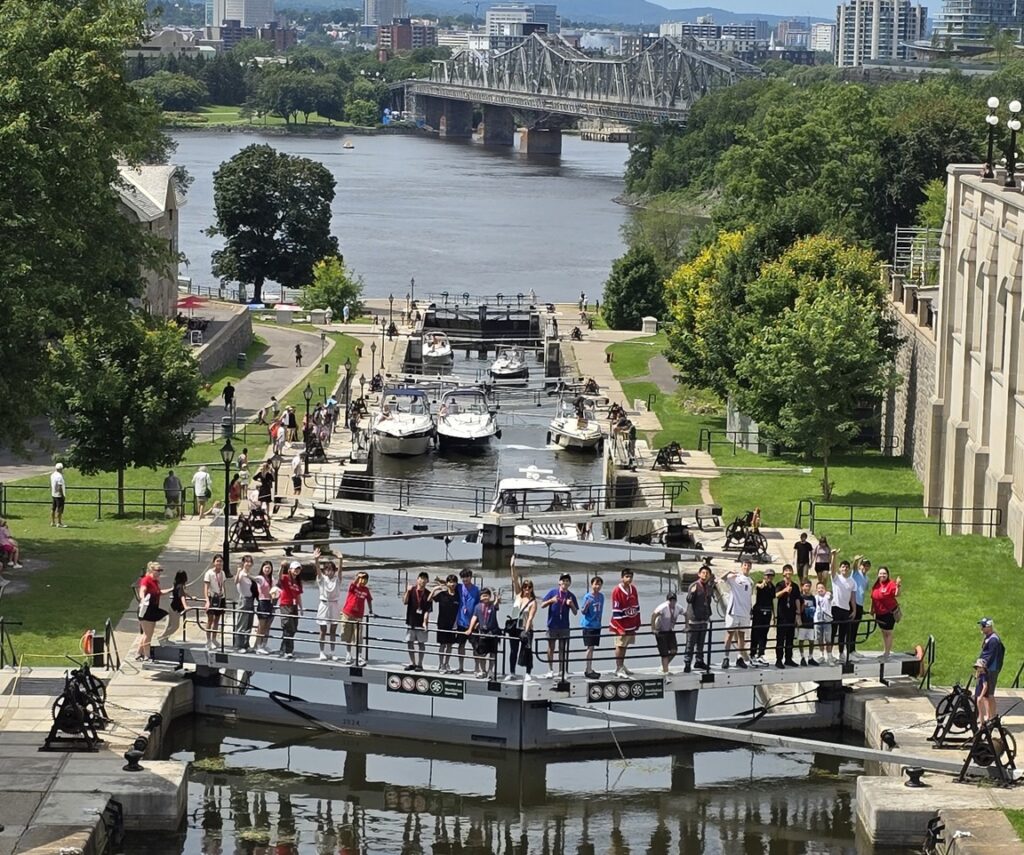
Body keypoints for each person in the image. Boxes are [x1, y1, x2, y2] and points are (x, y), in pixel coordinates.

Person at [541, 574, 579, 679]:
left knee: (563, 649)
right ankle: (550, 669)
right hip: (552, 625)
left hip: (564, 626)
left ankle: (562, 670)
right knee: (551, 648)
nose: (565, 583)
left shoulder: (571, 595)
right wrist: (551, 601)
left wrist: (571, 604)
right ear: (559, 582)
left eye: (567, 581)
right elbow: (542, 605)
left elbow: (575, 612)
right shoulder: (553, 592)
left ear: (570, 583)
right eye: (563, 581)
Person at [507, 556, 538, 682]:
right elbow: (514, 579)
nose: (526, 589)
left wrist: (526, 631)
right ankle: (512, 672)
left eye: (529, 587)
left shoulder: (533, 602)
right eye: (525, 587)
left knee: (527, 650)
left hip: (525, 627)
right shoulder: (518, 595)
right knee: (513, 651)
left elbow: (530, 617)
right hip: (514, 627)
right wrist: (512, 566)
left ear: (531, 589)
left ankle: (528, 672)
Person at [720, 560, 753, 669]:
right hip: (733, 611)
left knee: (741, 636)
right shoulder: (735, 578)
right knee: (729, 634)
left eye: (748, 566)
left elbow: (748, 597)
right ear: (741, 566)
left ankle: (740, 658)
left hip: (744, 613)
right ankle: (726, 657)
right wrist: (729, 571)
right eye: (745, 565)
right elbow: (721, 579)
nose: (746, 567)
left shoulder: (750, 581)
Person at [313, 548, 343, 661]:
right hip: (324, 605)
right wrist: (316, 560)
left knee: (333, 630)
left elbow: (340, 572)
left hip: (334, 605)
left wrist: (340, 560)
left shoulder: (337, 579)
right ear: (325, 571)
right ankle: (321, 652)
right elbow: (318, 571)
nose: (329, 572)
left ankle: (332, 652)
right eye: (327, 569)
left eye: (331, 570)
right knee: (323, 630)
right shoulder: (322, 579)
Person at [137, 562, 170, 661]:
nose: (160, 573)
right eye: (158, 570)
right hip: (146, 610)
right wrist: (142, 598)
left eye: (161, 570)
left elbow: (159, 593)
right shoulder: (146, 580)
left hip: (153, 609)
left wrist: (172, 589)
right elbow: (142, 590)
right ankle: (147, 655)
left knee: (146, 634)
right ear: (152, 570)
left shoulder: (155, 582)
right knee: (148, 634)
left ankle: (138, 653)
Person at [610, 568, 640, 678]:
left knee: (625, 645)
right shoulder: (617, 591)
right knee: (619, 645)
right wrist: (619, 627)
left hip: (630, 623)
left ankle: (622, 665)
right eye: (627, 576)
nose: (629, 579)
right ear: (622, 577)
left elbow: (637, 606)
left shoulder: (633, 589)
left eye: (631, 576)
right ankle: (618, 667)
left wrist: (637, 621)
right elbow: (616, 610)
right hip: (620, 624)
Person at [465, 587, 501, 679]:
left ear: (490, 597)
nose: (485, 598)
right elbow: (474, 617)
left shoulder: (493, 605)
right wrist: (470, 629)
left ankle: (490, 671)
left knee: (493, 653)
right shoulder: (477, 607)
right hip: (483, 633)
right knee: (481, 653)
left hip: (493, 632)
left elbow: (497, 603)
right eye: (483, 596)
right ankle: (483, 670)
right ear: (480, 597)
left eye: (487, 596)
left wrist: (497, 597)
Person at [684, 565, 713, 672]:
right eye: (703, 573)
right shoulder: (694, 585)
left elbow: (708, 602)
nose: (705, 575)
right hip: (693, 620)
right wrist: (692, 592)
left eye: (707, 573)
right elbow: (689, 600)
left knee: (701, 643)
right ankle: (687, 663)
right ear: (699, 574)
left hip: (703, 619)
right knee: (690, 643)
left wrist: (708, 615)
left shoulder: (708, 587)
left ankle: (699, 661)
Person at [341, 570, 373, 666]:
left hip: (358, 616)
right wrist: (358, 576)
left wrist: (371, 610)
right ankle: (348, 654)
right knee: (348, 635)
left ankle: (359, 656)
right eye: (361, 578)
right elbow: (353, 583)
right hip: (348, 613)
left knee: (358, 637)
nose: (363, 581)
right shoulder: (353, 586)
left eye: (365, 579)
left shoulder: (366, 590)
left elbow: (369, 600)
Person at [976, 618, 1005, 724]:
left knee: (989, 694)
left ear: (989, 627)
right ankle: (989, 716)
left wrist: (981, 668)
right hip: (988, 669)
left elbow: (989, 657)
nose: (981, 628)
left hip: (990, 670)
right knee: (986, 695)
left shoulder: (993, 640)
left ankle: (992, 717)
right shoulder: (989, 638)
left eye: (983, 626)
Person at [430, 574, 461, 673]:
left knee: (450, 645)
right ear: (447, 583)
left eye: (454, 582)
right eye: (450, 582)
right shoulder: (442, 594)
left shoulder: (458, 595)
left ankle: (446, 663)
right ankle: (440, 664)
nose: (452, 584)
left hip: (453, 625)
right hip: (442, 623)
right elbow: (429, 599)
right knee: (442, 645)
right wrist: (434, 590)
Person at [869, 566, 902, 660]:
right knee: (883, 632)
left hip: (889, 613)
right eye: (881, 573)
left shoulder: (890, 584)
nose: (882, 575)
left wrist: (898, 585)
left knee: (888, 633)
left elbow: (897, 594)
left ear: (887, 575)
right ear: (878, 574)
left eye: (884, 573)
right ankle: (885, 651)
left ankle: (887, 654)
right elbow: (873, 597)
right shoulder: (876, 585)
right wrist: (871, 609)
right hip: (879, 613)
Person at [403, 571, 432, 672]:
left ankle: (420, 664)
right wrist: (407, 591)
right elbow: (405, 602)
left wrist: (425, 622)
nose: (422, 580)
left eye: (425, 579)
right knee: (410, 642)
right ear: (417, 579)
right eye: (421, 578)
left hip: (421, 623)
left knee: (421, 643)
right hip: (411, 621)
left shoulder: (428, 593)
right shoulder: (412, 590)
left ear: (427, 581)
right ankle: (412, 663)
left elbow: (428, 610)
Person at [455, 568, 481, 675]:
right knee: (461, 645)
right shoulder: (459, 587)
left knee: (475, 646)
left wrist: (479, 621)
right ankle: (460, 667)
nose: (465, 579)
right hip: (461, 621)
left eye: (467, 577)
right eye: (463, 577)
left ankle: (477, 668)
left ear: (471, 577)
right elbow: (448, 586)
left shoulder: (476, 590)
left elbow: (480, 606)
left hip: (473, 623)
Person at [277, 560, 304, 659]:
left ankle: (283, 649)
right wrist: (281, 567)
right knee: (288, 627)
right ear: (290, 569)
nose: (297, 570)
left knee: (293, 628)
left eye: (298, 569)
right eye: (295, 568)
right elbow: (279, 577)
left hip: (294, 606)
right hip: (285, 605)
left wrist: (301, 608)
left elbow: (298, 596)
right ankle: (288, 650)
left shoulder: (298, 582)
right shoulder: (285, 578)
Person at [830, 559, 856, 662]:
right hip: (835, 608)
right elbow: (832, 568)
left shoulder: (852, 581)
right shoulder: (836, 578)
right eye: (843, 567)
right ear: (840, 569)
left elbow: (853, 597)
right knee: (832, 632)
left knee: (843, 633)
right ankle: (829, 654)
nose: (844, 568)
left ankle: (841, 653)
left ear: (849, 569)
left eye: (846, 567)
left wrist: (854, 610)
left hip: (846, 609)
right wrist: (834, 556)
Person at [774, 564, 800, 668]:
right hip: (782, 615)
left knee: (790, 638)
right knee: (780, 638)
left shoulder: (795, 586)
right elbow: (776, 595)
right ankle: (779, 659)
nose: (788, 572)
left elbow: (797, 599)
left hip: (791, 615)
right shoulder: (780, 584)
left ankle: (788, 658)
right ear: (783, 573)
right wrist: (785, 590)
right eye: (786, 571)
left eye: (790, 570)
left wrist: (798, 613)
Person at [650, 592, 682, 675]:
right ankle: (665, 671)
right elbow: (654, 615)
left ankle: (664, 666)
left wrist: (687, 626)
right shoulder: (663, 607)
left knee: (674, 651)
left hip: (670, 630)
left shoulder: (678, 607)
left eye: (674, 600)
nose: (672, 602)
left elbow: (686, 614)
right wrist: (653, 628)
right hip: (660, 630)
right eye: (670, 600)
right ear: (667, 601)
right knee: (664, 653)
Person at [750, 567, 776, 666]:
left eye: (771, 576)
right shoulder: (761, 583)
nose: (769, 577)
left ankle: (761, 654)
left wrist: (774, 616)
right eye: (767, 575)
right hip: (759, 612)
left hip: (768, 612)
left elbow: (772, 601)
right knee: (755, 633)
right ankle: (752, 654)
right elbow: (756, 586)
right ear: (764, 576)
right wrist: (759, 585)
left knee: (764, 635)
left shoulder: (772, 587)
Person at [580, 576, 604, 679]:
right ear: (592, 585)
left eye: (599, 584)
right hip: (588, 625)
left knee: (592, 647)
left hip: (597, 625)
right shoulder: (587, 597)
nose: (597, 586)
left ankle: (590, 668)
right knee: (589, 647)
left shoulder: (601, 596)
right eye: (595, 584)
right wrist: (586, 606)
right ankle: (588, 669)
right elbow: (583, 611)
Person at [159, 570, 193, 643]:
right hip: (175, 609)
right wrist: (186, 606)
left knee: (170, 625)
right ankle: (162, 637)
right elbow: (182, 597)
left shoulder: (176, 584)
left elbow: (184, 593)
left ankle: (165, 639)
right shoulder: (180, 586)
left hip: (172, 607)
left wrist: (191, 597)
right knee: (175, 626)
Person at [203, 555, 227, 651]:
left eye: (221, 561)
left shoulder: (222, 573)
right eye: (217, 561)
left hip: (221, 598)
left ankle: (214, 638)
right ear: (214, 562)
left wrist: (225, 596)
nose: (219, 563)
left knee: (217, 619)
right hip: (212, 598)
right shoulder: (209, 573)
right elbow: (206, 588)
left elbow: (223, 585)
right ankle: (208, 640)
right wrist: (207, 601)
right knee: (210, 620)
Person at [233, 555, 256, 652]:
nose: (249, 564)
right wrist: (238, 571)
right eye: (247, 562)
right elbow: (236, 581)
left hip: (251, 599)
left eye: (250, 562)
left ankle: (246, 644)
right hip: (244, 599)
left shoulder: (249, 574)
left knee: (249, 623)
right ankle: (239, 645)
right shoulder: (241, 573)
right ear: (243, 563)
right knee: (242, 622)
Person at [252, 561, 276, 654]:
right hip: (262, 602)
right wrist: (245, 573)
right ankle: (258, 646)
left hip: (270, 602)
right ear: (262, 568)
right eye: (266, 567)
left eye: (269, 568)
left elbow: (275, 590)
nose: (267, 569)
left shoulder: (272, 579)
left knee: (267, 626)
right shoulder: (260, 578)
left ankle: (264, 645)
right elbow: (254, 578)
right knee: (261, 626)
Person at [849, 558, 869, 659]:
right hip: (853, 603)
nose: (865, 567)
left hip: (860, 604)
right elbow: (854, 567)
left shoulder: (867, 578)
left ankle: (852, 649)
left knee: (855, 628)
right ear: (861, 566)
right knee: (851, 627)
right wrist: (856, 560)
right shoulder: (856, 573)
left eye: (867, 565)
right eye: (864, 565)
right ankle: (848, 650)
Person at [796, 579, 816, 665]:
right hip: (802, 622)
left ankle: (810, 657)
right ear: (802, 586)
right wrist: (803, 607)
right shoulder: (800, 597)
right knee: (801, 640)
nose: (807, 588)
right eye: (806, 586)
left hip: (810, 622)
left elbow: (815, 608)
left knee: (811, 641)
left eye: (809, 586)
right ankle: (802, 657)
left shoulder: (812, 598)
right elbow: (798, 611)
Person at [813, 580, 834, 664]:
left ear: (825, 589)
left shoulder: (827, 596)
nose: (820, 589)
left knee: (828, 639)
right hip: (818, 620)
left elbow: (831, 597)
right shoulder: (815, 597)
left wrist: (829, 593)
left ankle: (829, 657)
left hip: (827, 620)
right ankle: (822, 655)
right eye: (818, 588)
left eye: (822, 588)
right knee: (819, 639)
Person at [50, 463, 67, 527]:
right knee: (59, 509)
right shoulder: (59, 476)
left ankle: (52, 522)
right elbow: (60, 486)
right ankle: (59, 523)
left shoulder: (52, 475)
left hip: (53, 494)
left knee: (53, 508)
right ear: (61, 469)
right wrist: (62, 495)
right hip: (59, 495)